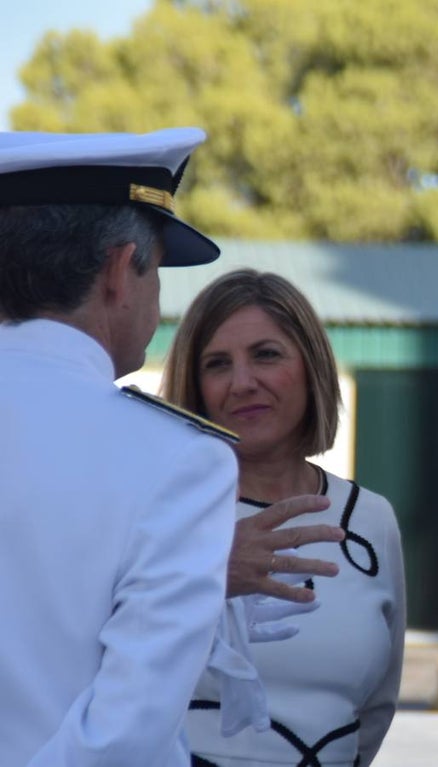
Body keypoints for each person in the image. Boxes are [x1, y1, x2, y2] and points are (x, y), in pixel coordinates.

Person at [0, 128, 242, 765]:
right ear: (117, 271)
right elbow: (126, 733)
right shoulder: (181, 460)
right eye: (156, 270)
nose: (158, 302)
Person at [161, 268, 406, 767]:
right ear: (195, 383)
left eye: (266, 355)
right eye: (217, 364)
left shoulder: (371, 520)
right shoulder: (159, 507)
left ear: (311, 365)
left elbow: (377, 708)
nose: (242, 383)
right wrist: (205, 573)